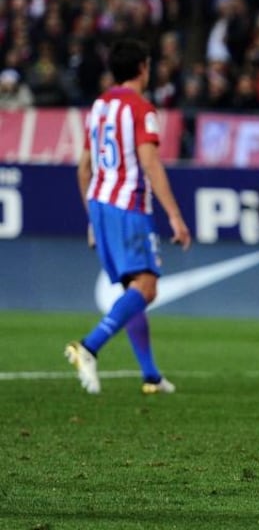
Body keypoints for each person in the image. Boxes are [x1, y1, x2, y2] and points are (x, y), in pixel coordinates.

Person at [65, 39, 192, 395]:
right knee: (147, 287)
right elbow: (150, 162)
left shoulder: (99, 107)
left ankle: (150, 375)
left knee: (131, 290)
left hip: (101, 206)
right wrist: (176, 217)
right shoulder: (140, 108)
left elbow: (83, 169)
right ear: (142, 68)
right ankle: (89, 347)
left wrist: (92, 218)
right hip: (128, 205)